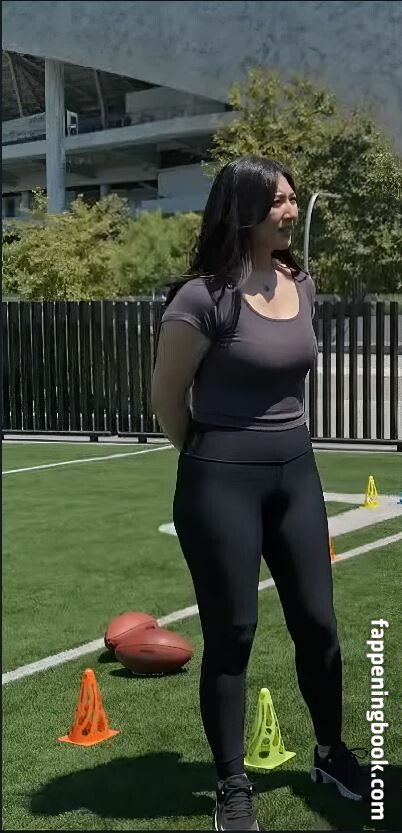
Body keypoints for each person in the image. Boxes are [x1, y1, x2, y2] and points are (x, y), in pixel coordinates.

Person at [152, 156, 369, 831]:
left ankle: (330, 752)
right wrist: (214, 460)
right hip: (220, 481)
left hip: (296, 475)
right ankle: (231, 784)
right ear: (243, 209)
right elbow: (168, 399)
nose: (291, 209)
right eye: (278, 200)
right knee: (233, 633)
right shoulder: (201, 298)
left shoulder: (301, 282)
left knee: (319, 625)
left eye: (293, 197)